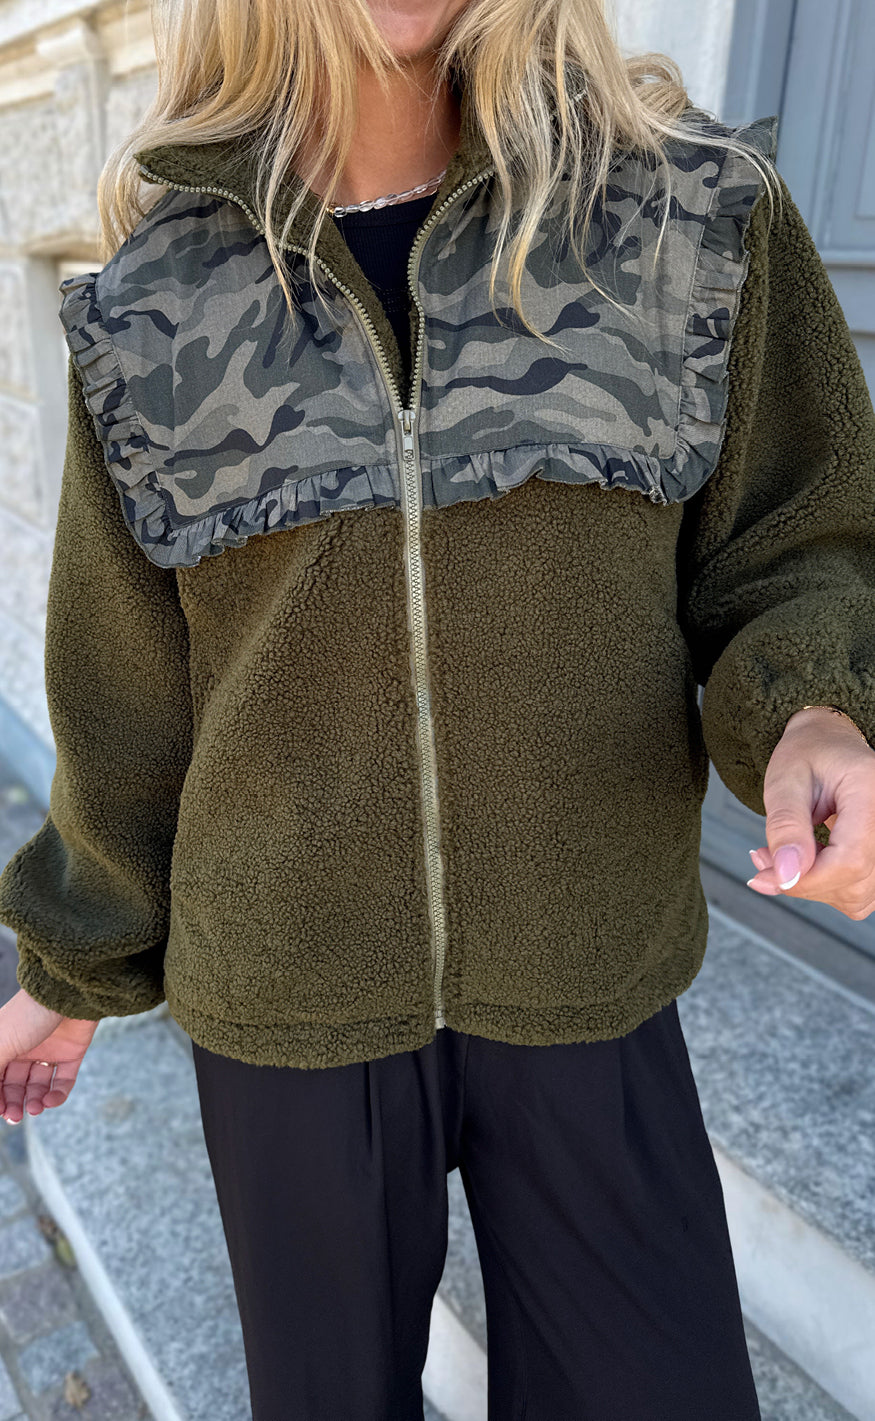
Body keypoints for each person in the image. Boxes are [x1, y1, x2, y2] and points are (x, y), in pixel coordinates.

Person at [1, 0, 874, 1416]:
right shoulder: (163, 294)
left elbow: (801, 541)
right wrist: (74, 959)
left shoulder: (687, 217)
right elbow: (128, 690)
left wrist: (820, 711)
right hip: (285, 994)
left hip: (589, 961)